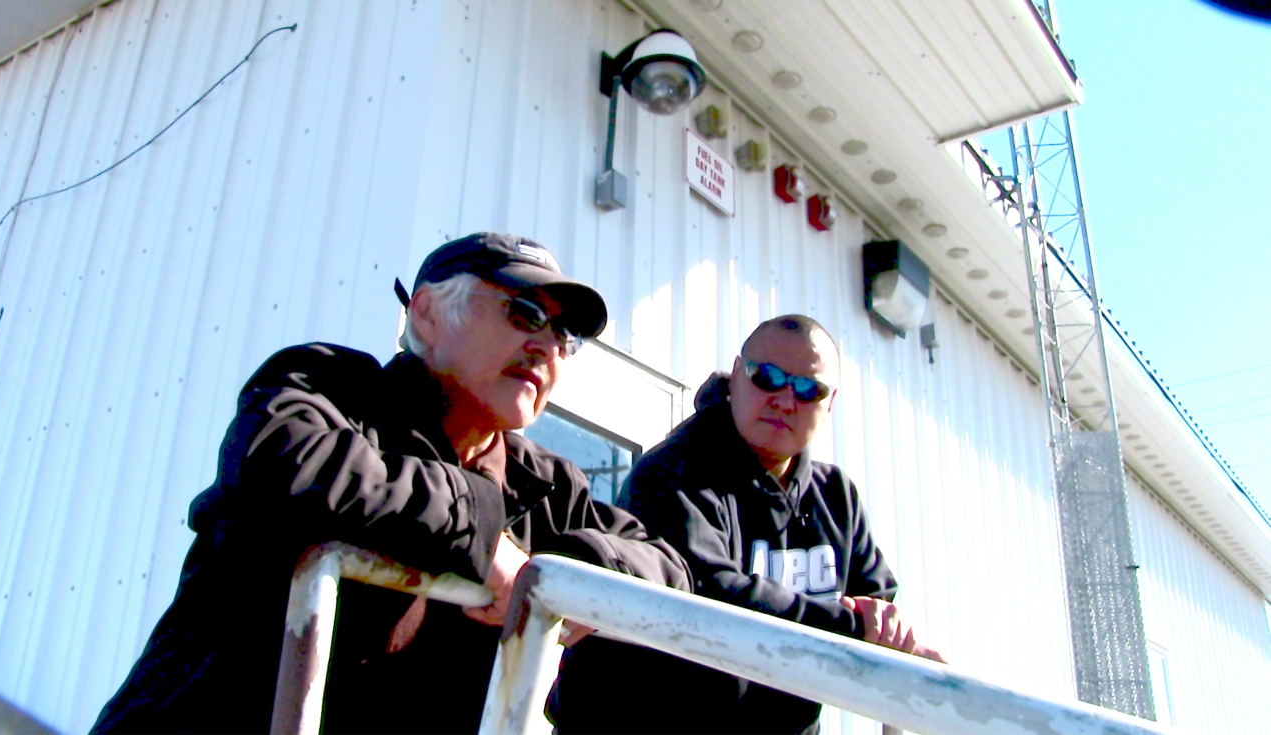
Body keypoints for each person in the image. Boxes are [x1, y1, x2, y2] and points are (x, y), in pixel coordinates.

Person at [92, 233, 689, 734]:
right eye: (524, 313)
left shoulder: (548, 486)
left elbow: (670, 569)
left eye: (563, 338)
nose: (545, 348)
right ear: (427, 312)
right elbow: (285, 466)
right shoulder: (333, 390)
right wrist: (483, 533)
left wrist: (565, 574)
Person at [550, 315, 943, 735]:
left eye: (809, 389)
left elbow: (876, 603)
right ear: (737, 376)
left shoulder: (836, 496)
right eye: (767, 377)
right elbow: (708, 594)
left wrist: (890, 631)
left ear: (829, 404)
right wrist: (850, 628)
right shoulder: (672, 474)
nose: (785, 400)